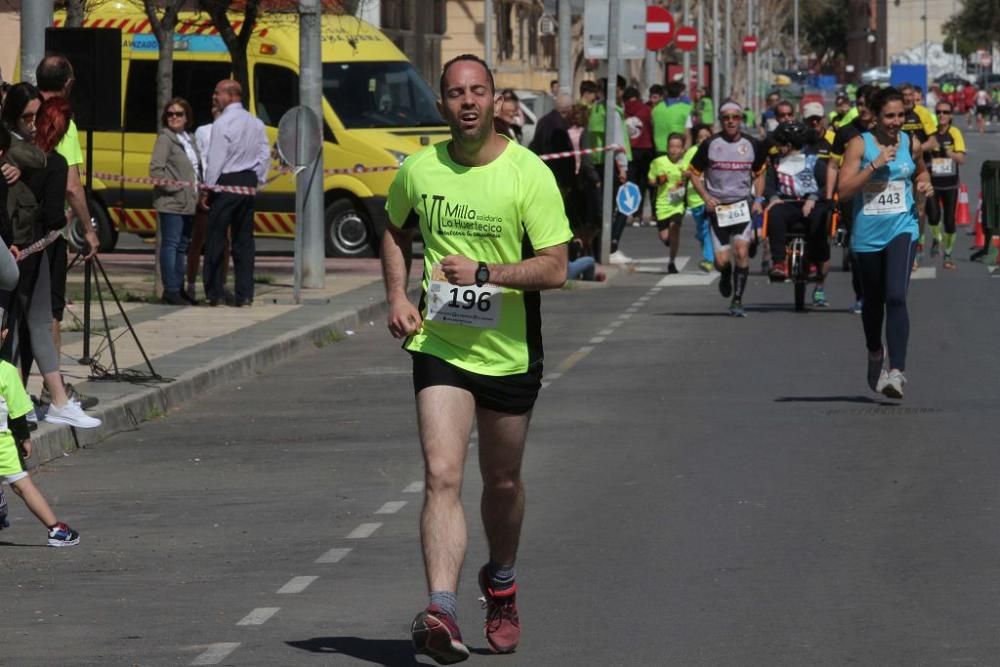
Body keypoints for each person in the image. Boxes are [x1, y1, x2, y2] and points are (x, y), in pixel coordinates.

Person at [381, 53, 571, 664]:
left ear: (495, 101)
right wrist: (394, 295)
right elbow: (394, 227)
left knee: (503, 481)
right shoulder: (419, 168)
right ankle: (443, 608)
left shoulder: (528, 173)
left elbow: (556, 267)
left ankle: (503, 581)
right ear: (442, 103)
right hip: (440, 344)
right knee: (441, 473)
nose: (467, 102)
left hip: (509, 351)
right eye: (456, 93)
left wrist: (487, 272)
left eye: (478, 91)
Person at [1, 94, 101, 428]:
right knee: (11, 329)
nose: (32, 125)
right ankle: (16, 405)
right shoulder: (36, 158)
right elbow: (59, 203)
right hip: (18, 250)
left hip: (31, 249)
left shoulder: (35, 157)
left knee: (37, 323)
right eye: (26, 117)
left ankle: (55, 400)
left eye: (36, 117)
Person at [838, 86, 932, 399]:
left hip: (902, 228)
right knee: (873, 302)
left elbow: (920, 171)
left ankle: (896, 372)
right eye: (889, 116)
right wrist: (875, 165)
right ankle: (875, 351)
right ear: (876, 117)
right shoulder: (858, 145)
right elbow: (845, 190)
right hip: (867, 234)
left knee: (896, 296)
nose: (896, 122)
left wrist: (924, 183)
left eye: (900, 115)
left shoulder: (910, 142)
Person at [35, 55, 100, 409]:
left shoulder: (23, 112)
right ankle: (53, 389)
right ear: (68, 83)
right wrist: (89, 231)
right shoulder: (64, 121)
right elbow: (73, 186)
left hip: (17, 229)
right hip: (49, 233)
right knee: (51, 312)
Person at [688, 101, 767, 317]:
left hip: (742, 205)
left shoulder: (752, 144)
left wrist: (758, 199)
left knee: (742, 251)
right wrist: (706, 197)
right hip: (719, 208)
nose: (731, 121)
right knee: (721, 261)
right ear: (720, 120)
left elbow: (760, 173)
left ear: (741, 119)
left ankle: (738, 300)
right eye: (726, 118)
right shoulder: (711, 144)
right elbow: (693, 173)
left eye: (735, 117)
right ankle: (725, 274)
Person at [202, 79, 270, 307]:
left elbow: (216, 159)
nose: (214, 97)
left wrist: (208, 187)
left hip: (226, 182)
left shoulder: (223, 123)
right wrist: (257, 179)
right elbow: (264, 153)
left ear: (231, 95)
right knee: (244, 241)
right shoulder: (256, 123)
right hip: (247, 183)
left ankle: (214, 291)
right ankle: (245, 293)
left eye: (217, 93)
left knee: (215, 239)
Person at [0, 354, 80, 546]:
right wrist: (24, 438)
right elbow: (17, 413)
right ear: (3, 334)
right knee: (22, 484)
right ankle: (56, 530)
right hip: (3, 443)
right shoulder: (7, 371)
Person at [764, 121, 832, 305]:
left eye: (779, 144)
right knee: (775, 213)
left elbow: (828, 184)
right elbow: (768, 186)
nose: (776, 148)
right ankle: (778, 263)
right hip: (787, 203)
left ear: (787, 145)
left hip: (811, 203)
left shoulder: (813, 161)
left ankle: (813, 263)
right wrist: (772, 198)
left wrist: (814, 197)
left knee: (818, 216)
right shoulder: (776, 163)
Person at [827, 84, 877, 313]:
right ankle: (862, 296)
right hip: (853, 200)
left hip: (883, 198)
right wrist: (830, 197)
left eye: (868, 104)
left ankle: (884, 292)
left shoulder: (891, 131)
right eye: (860, 104)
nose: (863, 109)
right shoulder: (846, 132)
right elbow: (832, 166)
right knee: (857, 252)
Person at [150, 98, 200, 305]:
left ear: (187, 117)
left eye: (179, 114)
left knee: (182, 246)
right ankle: (170, 289)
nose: (174, 117)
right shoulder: (165, 139)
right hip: (172, 203)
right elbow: (155, 170)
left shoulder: (188, 139)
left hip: (189, 203)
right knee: (170, 244)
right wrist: (176, 188)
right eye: (170, 114)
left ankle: (178, 287)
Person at [586, 76, 632, 263]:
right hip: (612, 164)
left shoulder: (596, 108)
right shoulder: (611, 111)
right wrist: (623, 167)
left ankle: (599, 250)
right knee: (620, 206)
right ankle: (610, 248)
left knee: (601, 209)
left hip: (596, 163)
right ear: (617, 90)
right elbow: (617, 141)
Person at [186, 106, 227, 301]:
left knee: (224, 241)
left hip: (225, 190)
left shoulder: (232, 130)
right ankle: (192, 283)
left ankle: (221, 284)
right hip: (206, 188)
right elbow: (201, 159)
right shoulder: (204, 131)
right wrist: (203, 188)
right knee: (198, 239)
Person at [923, 100, 965, 270]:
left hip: (950, 184)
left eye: (946, 112)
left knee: (949, 220)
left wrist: (949, 153)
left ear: (951, 116)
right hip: (933, 183)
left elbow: (961, 159)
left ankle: (948, 254)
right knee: (933, 216)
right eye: (939, 112)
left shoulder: (954, 132)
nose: (942, 115)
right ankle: (936, 238)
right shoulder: (931, 133)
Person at [648, 133, 688, 273]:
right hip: (662, 203)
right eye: (671, 146)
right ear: (667, 147)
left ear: (683, 149)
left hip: (678, 203)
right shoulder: (658, 162)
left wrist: (686, 178)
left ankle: (672, 262)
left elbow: (694, 178)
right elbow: (651, 180)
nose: (674, 150)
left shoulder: (685, 164)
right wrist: (659, 180)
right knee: (665, 236)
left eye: (678, 147)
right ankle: (670, 242)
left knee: (674, 226)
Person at [684, 123, 716, 273]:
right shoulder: (692, 152)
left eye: (707, 137)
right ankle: (709, 254)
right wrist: (697, 175)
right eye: (700, 137)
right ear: (696, 139)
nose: (704, 140)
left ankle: (709, 260)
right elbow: (685, 171)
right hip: (696, 197)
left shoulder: (717, 151)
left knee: (707, 229)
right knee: (702, 230)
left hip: (713, 196)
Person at [623, 87, 654, 225]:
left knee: (631, 183)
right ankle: (642, 215)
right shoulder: (647, 110)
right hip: (646, 149)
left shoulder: (622, 111)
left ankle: (633, 213)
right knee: (644, 183)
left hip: (629, 150)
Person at [652, 81, 693, 155]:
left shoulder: (656, 109)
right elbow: (687, 133)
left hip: (659, 149)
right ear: (680, 93)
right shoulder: (685, 108)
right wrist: (687, 151)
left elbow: (653, 126)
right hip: (677, 150)